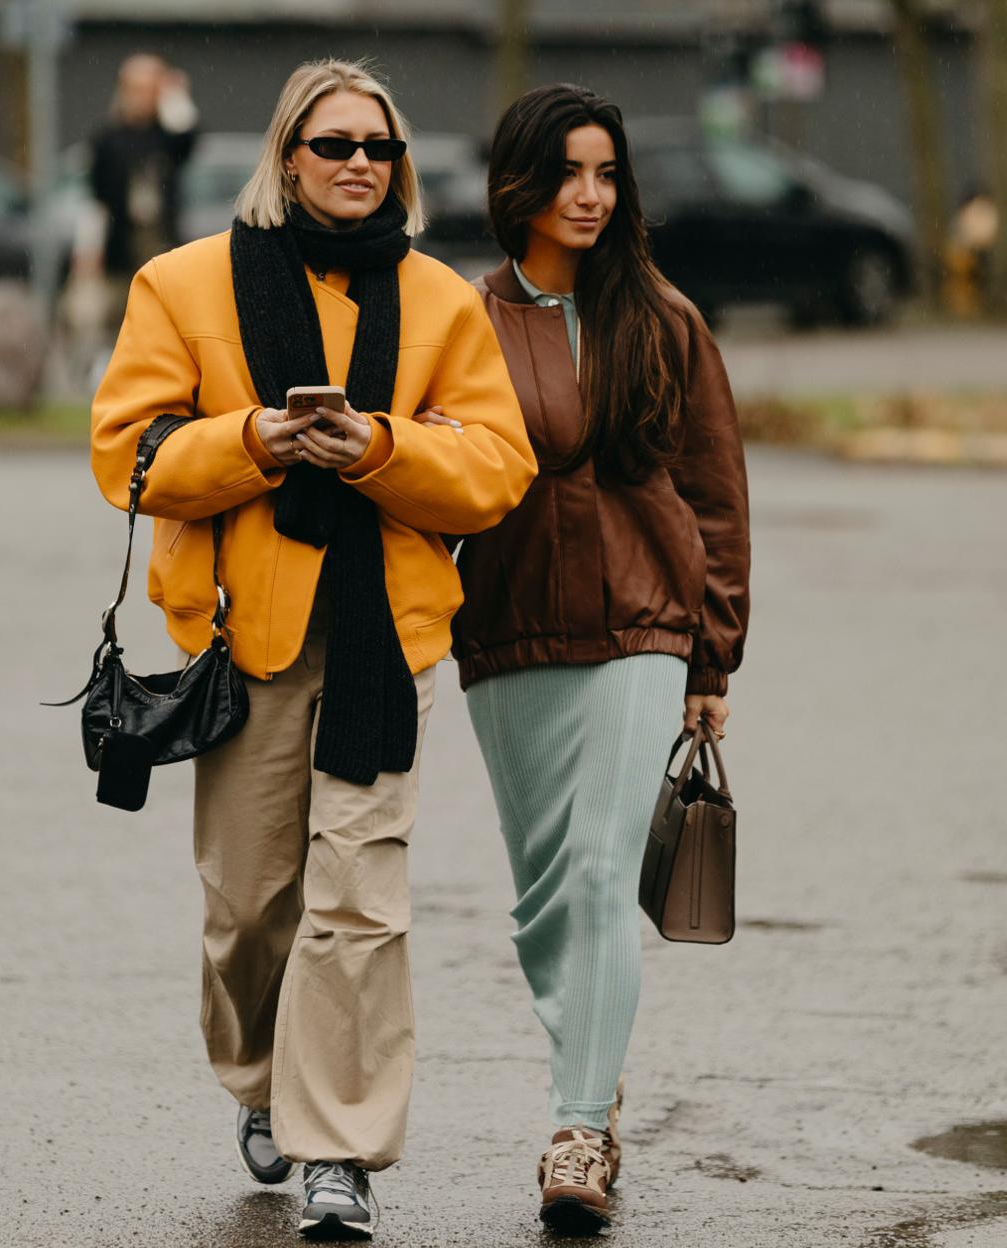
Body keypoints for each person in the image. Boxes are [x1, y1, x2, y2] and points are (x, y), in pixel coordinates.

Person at [89, 58, 536, 1240]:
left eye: (378, 149)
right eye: (334, 145)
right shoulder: (181, 287)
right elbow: (126, 457)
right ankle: (257, 1079)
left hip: (385, 642)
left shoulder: (444, 303)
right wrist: (260, 438)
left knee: (361, 900)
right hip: (245, 641)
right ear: (287, 156)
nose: (358, 165)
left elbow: (498, 470)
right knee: (249, 906)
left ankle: (337, 1146)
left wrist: (378, 447)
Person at [442, 84, 750, 1235]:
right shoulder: (462, 321)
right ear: (519, 183)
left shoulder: (662, 317)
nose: (589, 194)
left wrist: (710, 660)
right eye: (569, 173)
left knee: (597, 871)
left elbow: (716, 498)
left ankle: (579, 1130)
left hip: (642, 625)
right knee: (540, 900)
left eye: (607, 173)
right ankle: (597, 1066)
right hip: (509, 628)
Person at [88, 55, 199, 330]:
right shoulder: (108, 139)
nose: (142, 96)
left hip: (162, 243)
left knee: (165, 320)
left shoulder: (166, 136)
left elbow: (189, 137)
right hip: (120, 247)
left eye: (150, 89)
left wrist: (173, 95)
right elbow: (96, 198)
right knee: (115, 322)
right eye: (136, 88)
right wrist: (89, 249)